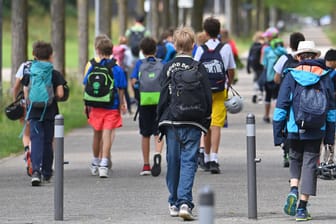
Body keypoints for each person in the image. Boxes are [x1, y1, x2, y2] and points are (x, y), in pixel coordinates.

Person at [273, 40, 335, 221]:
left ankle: (293, 189)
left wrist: (278, 134)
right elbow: (331, 110)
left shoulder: (291, 75)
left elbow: (281, 106)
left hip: (294, 127)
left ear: (298, 57)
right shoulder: (325, 76)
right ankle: (302, 208)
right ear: (316, 57)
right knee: (310, 164)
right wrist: (330, 136)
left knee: (294, 157)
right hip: (317, 128)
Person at [157, 25, 212, 220]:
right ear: (193, 45)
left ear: (175, 44)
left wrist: (159, 121)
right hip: (194, 121)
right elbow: (207, 96)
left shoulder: (168, 67)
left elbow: (162, 95)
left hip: (172, 121)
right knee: (189, 162)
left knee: (173, 161)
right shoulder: (199, 67)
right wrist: (206, 119)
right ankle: (185, 203)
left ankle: (173, 201)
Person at [194, 17, 236, 174]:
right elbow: (231, 69)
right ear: (219, 31)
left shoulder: (200, 49)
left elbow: (195, 68)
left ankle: (204, 156)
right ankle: (214, 159)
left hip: (203, 91)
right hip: (220, 90)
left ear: (205, 32)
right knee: (216, 124)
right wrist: (228, 82)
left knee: (205, 123)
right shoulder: (225, 48)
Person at [21, 40, 65, 186]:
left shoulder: (29, 73)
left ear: (34, 55)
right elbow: (60, 93)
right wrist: (52, 96)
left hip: (34, 112)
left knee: (36, 140)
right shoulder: (54, 74)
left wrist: (30, 104)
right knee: (48, 141)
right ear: (51, 56)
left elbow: (26, 93)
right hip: (50, 112)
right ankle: (46, 172)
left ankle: (35, 172)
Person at [83, 36, 127, 178]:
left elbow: (87, 85)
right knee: (107, 134)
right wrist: (121, 103)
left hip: (95, 105)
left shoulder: (93, 67)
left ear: (97, 50)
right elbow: (121, 88)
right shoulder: (116, 69)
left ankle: (95, 161)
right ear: (111, 51)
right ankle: (104, 163)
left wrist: (86, 104)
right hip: (111, 105)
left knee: (96, 134)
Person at [130, 37, 164, 176]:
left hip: (144, 102)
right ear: (155, 50)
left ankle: (146, 165)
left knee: (145, 134)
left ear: (142, 51)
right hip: (159, 102)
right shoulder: (162, 63)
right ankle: (158, 153)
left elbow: (133, 81)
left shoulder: (139, 64)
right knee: (158, 132)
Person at [273, 32, 305, 168]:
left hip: (286, 96)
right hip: (303, 98)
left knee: (286, 123)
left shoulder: (284, 58)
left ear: (290, 44)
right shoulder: (305, 59)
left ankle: (287, 151)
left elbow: (276, 78)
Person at [261, 27, 287, 123]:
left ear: (271, 37)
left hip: (269, 77)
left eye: (267, 37)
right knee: (277, 97)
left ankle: (266, 115)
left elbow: (264, 64)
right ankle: (277, 116)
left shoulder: (267, 50)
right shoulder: (283, 50)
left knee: (267, 96)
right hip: (279, 77)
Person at [13, 61, 33, 176]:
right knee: (37, 133)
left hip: (25, 104)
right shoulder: (44, 66)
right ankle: (34, 155)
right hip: (41, 105)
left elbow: (16, 86)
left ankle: (27, 151)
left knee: (26, 133)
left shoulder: (24, 66)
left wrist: (15, 102)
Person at [247, 31, 265, 104]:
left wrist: (248, 67)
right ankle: (260, 96)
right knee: (261, 80)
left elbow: (249, 56)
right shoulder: (263, 46)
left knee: (256, 78)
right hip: (261, 65)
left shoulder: (253, 45)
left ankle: (254, 93)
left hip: (254, 65)